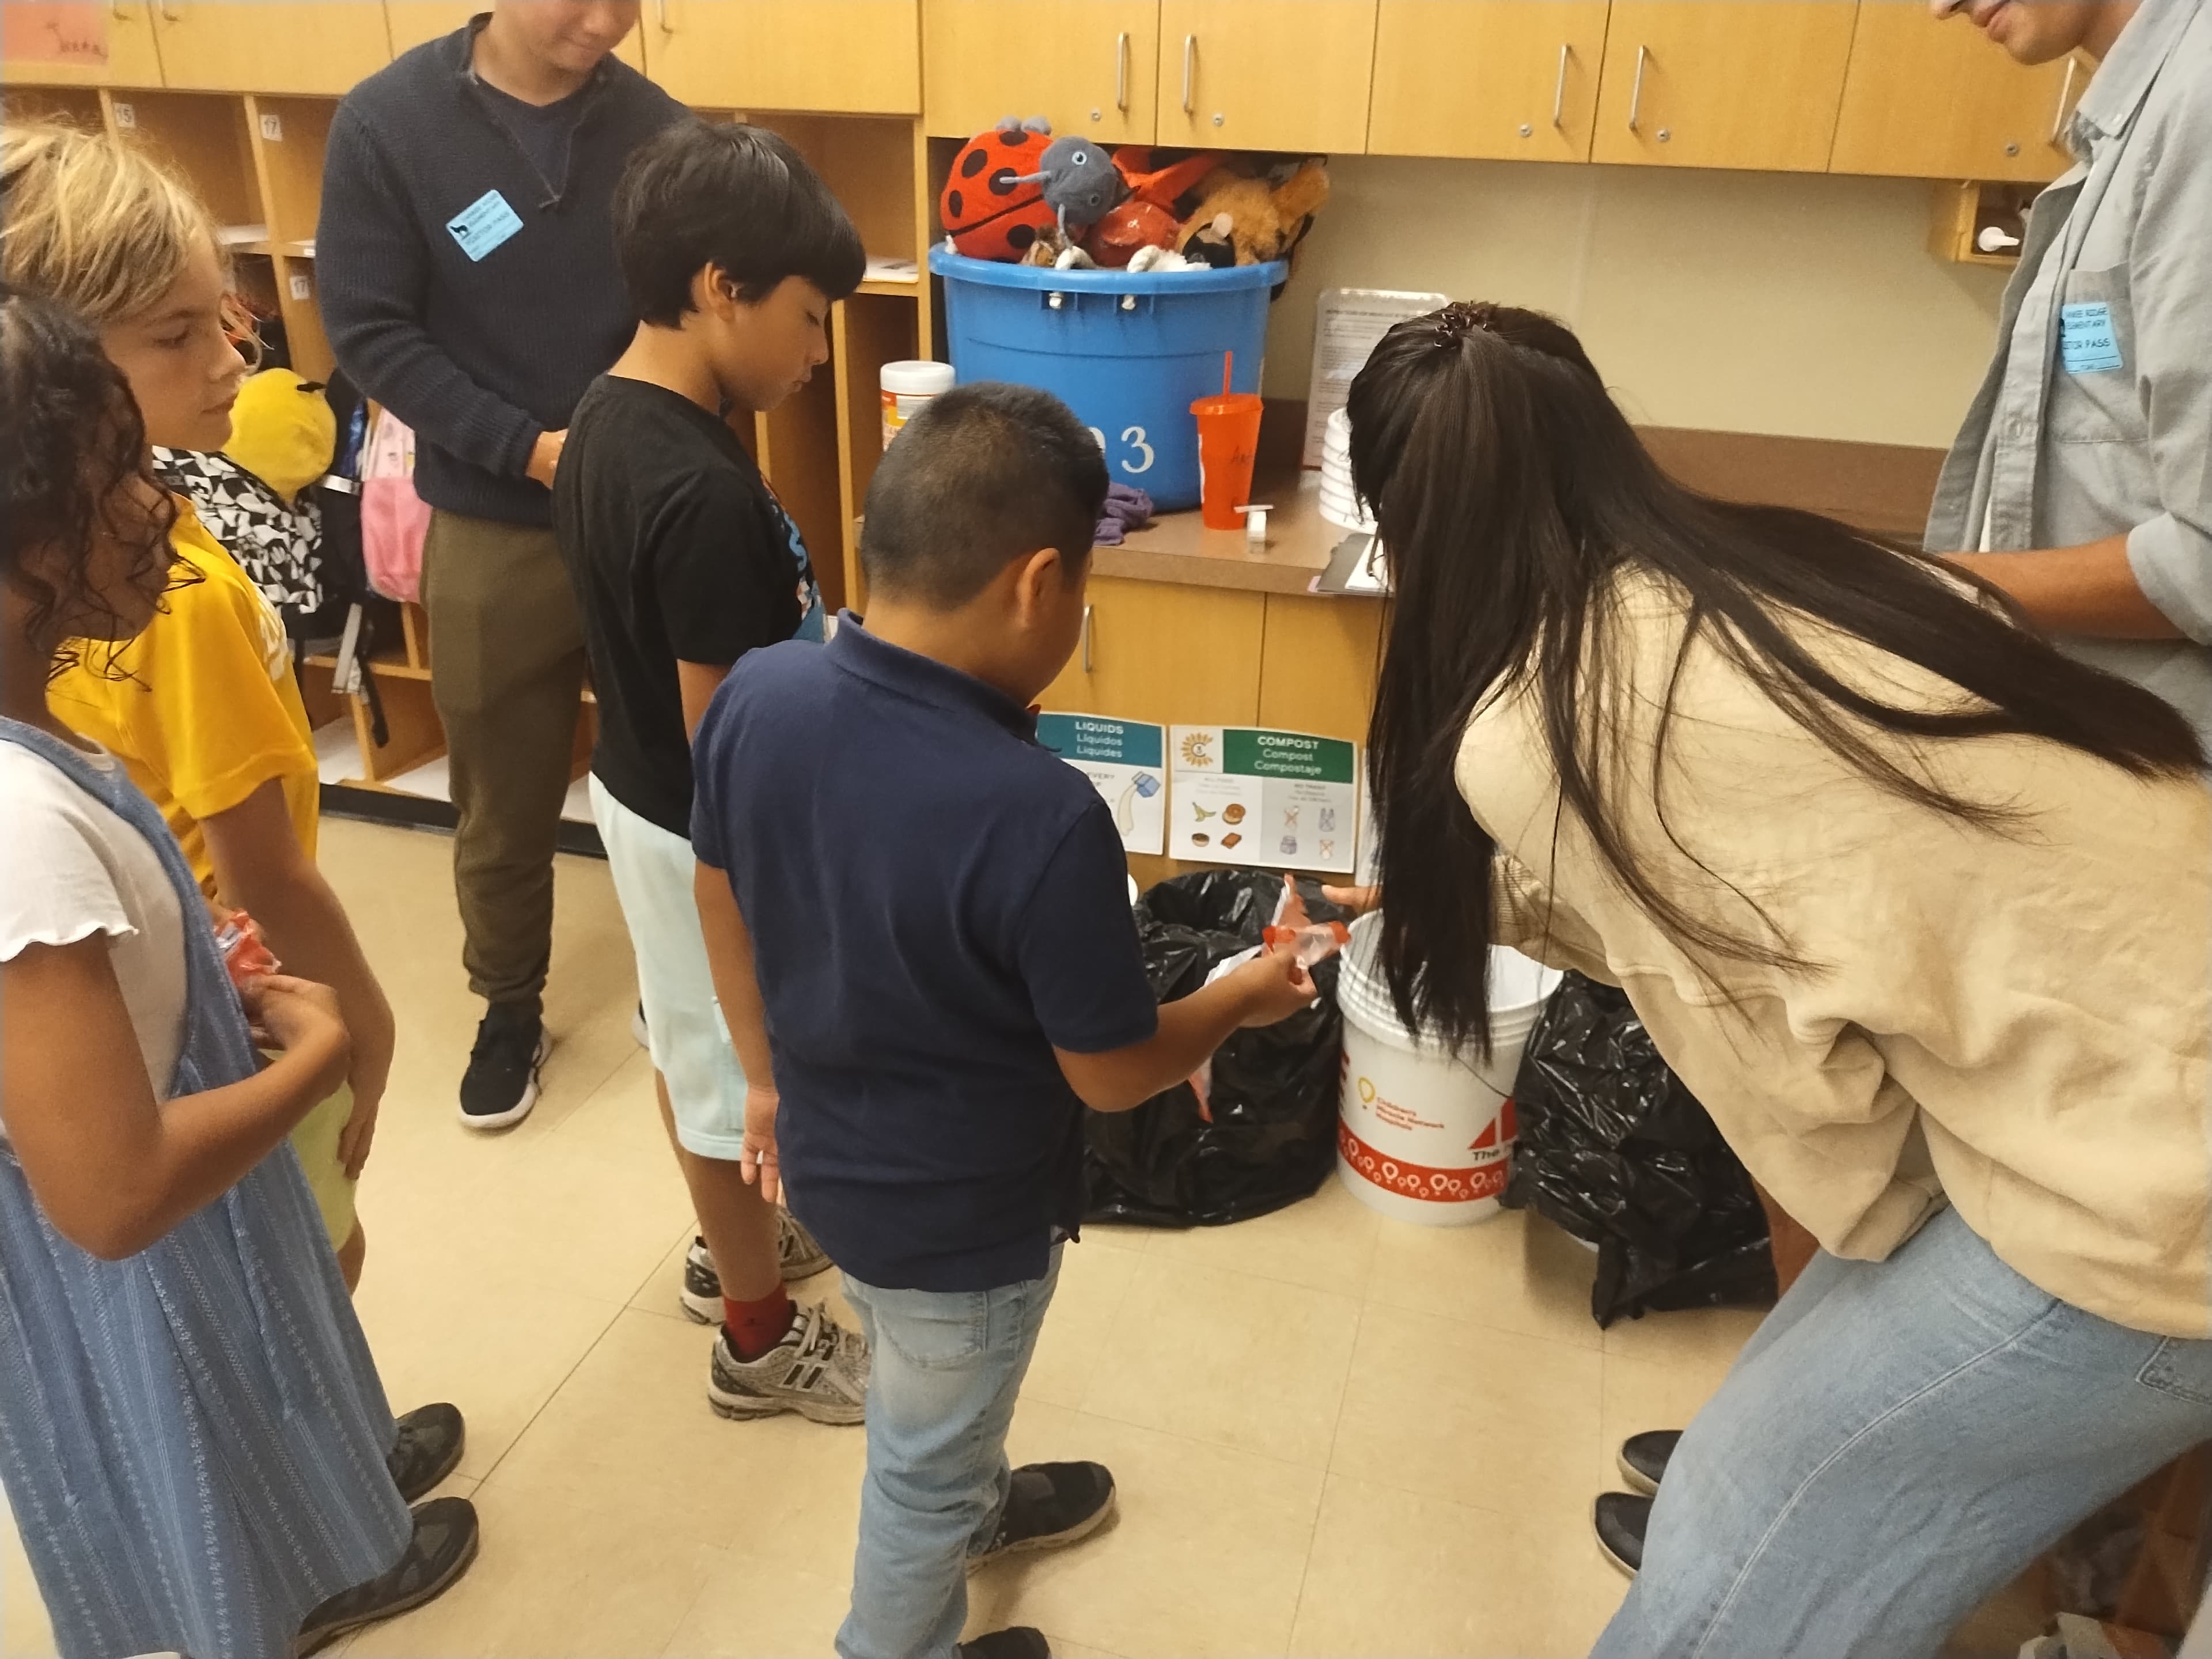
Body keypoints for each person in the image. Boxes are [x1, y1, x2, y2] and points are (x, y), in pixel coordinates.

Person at [1346, 300, 2210, 1659]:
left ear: (1401, 528)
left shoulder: (1550, 722)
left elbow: (1809, 1110)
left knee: (1734, 1538)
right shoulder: (1772, 564)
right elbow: (1750, 877)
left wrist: (1837, 1318)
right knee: (1780, 1487)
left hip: (2152, 1187)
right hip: (2140, 1062)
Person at [690, 382, 1320, 1659]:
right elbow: (1112, 1075)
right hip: (964, 1229)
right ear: (1040, 586)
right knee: (914, 1470)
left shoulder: (760, 693)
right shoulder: (1041, 816)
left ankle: (973, 1501)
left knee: (933, 1409)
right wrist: (1241, 998)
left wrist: (760, 1079)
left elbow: (718, 885)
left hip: (827, 1163)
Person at [0, 291, 477, 1659]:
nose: (162, 508)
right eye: (121, 482)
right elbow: (113, 1193)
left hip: (184, 1236)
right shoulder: (23, 831)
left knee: (260, 1492)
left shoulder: (45, 738)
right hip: (152, 1279)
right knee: (223, 1557)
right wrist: (321, 1058)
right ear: (30, 547)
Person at [551, 117, 869, 1418]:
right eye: (808, 318)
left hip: (641, 799)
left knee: (691, 1049)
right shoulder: (701, 495)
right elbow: (727, 750)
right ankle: (756, 1336)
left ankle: (732, 1241)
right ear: (721, 287)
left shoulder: (606, 417)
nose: (818, 351)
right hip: (703, 839)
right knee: (732, 1078)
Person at [319, 0, 684, 1128]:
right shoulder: (388, 125)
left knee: (677, 772)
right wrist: (526, 449)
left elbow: (694, 306)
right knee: (501, 795)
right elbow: (371, 331)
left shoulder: (662, 128)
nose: (610, 19)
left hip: (641, 514)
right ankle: (510, 1006)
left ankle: (685, 977)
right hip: (490, 521)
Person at [1928, 0, 2212, 749]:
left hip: (2177, 770)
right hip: (2115, 747)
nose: (1939, 8)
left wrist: (1930, 587)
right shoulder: (2135, 124)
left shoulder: (2201, 106)